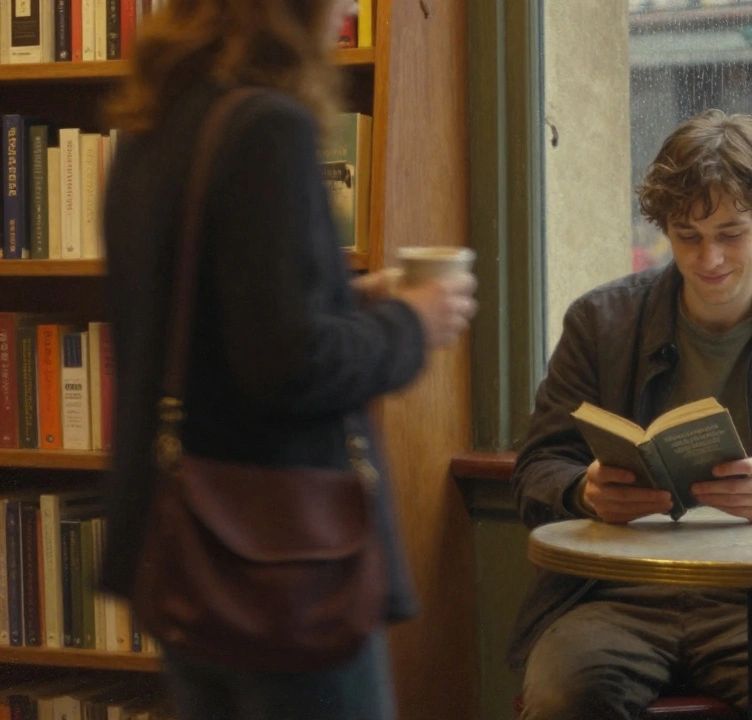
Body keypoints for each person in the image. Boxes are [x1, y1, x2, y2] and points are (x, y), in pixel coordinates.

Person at [99, 1, 477, 718]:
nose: (345, 10)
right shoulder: (268, 127)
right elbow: (290, 365)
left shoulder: (153, 128)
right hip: (284, 565)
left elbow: (218, 328)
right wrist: (409, 323)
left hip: (182, 546)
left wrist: (351, 299)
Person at [511, 109, 752, 720]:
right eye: (687, 236)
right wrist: (584, 493)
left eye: (730, 232)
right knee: (566, 698)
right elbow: (537, 466)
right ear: (665, 229)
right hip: (611, 595)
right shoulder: (599, 320)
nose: (709, 257)